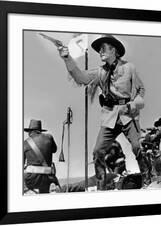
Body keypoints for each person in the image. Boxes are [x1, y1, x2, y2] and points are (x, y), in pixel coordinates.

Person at [52, 34, 149, 190]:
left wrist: (133, 105)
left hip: (128, 115)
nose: (100, 52)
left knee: (137, 146)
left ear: (114, 50)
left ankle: (148, 179)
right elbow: (81, 77)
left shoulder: (129, 68)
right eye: (99, 50)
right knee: (98, 151)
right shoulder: (100, 72)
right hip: (109, 115)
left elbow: (141, 90)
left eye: (104, 49)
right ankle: (101, 187)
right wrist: (67, 58)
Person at [23, 119, 60, 194]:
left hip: (31, 180)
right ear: (40, 130)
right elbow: (54, 150)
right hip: (47, 179)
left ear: (30, 132)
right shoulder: (49, 137)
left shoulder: (25, 143)